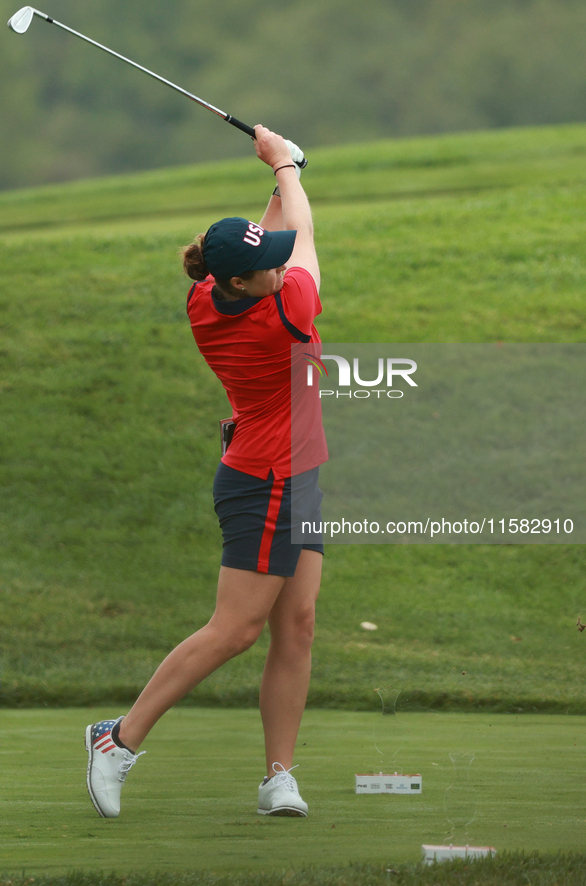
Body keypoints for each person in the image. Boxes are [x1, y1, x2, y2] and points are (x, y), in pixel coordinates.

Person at [85, 125, 328, 820]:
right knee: (235, 630)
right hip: (264, 481)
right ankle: (116, 740)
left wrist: (276, 184)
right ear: (244, 285)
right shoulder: (289, 307)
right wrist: (284, 166)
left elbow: (267, 240)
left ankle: (278, 776)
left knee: (298, 624)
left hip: (297, 472)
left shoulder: (209, 298)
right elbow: (302, 235)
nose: (280, 266)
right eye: (268, 267)